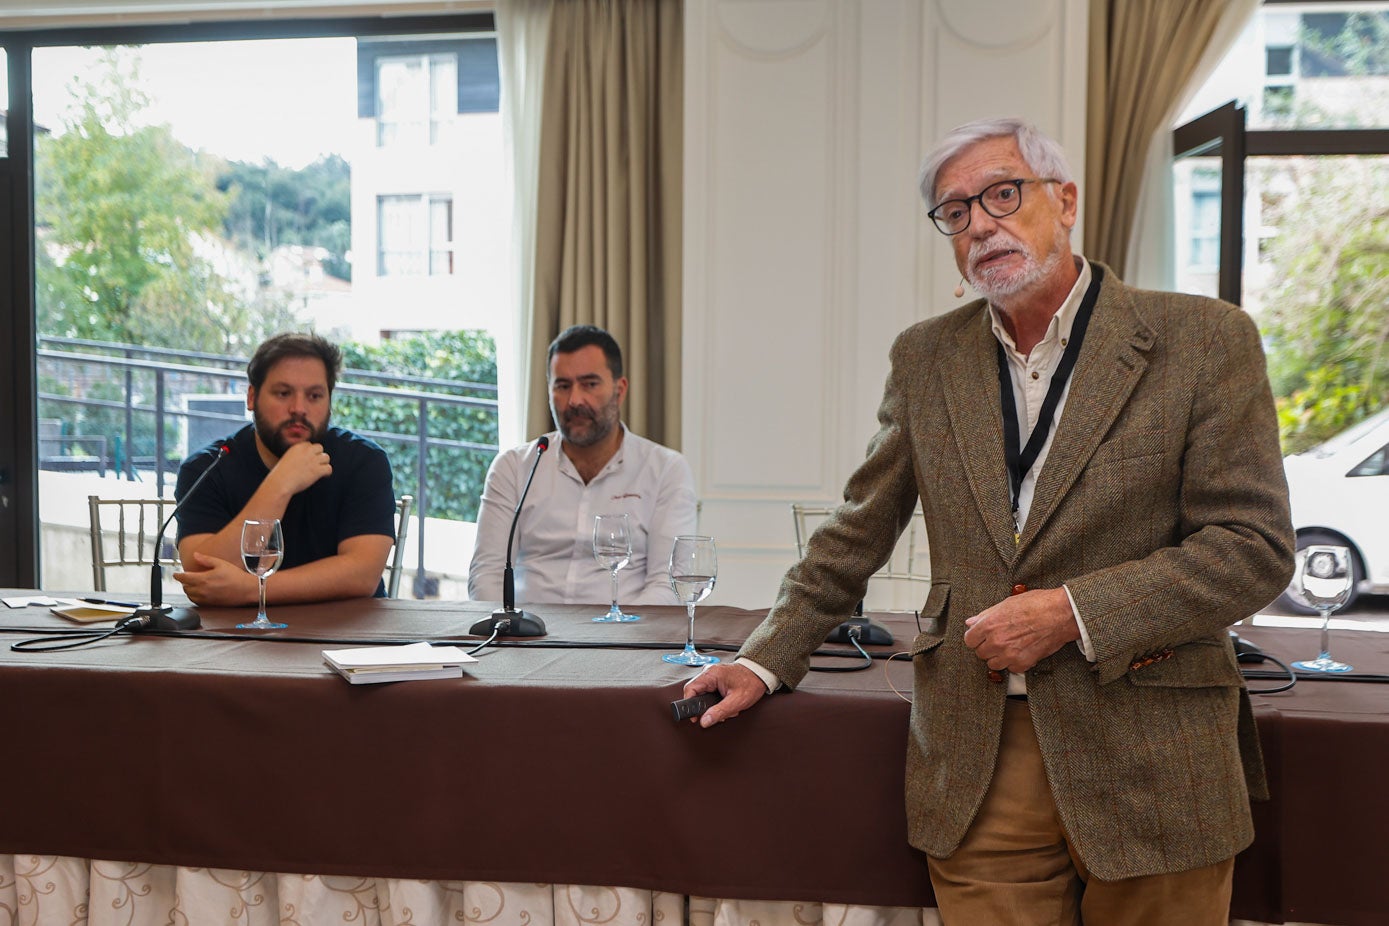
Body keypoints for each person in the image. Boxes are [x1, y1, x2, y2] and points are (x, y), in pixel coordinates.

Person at [684, 118, 1294, 925]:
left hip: (1154, 746)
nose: (978, 224)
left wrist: (1071, 613)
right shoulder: (925, 358)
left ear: (1065, 200)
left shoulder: (1202, 339)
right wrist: (764, 660)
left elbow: (1251, 549)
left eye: (1002, 194)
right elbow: (858, 530)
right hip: (975, 751)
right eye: (954, 211)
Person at [469, 325, 697, 605]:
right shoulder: (514, 467)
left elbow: (668, 583)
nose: (575, 400)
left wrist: (617, 640)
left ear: (619, 390)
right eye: (562, 386)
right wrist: (506, 630)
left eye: (589, 384)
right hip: (527, 639)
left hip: (625, 639)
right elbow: (486, 574)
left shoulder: (665, 470)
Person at [174, 332, 397, 606]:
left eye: (314, 396)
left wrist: (252, 589)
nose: (299, 408)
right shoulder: (207, 468)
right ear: (252, 397)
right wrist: (280, 484)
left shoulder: (363, 461)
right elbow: (202, 579)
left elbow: (362, 575)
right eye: (283, 393)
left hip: (347, 636)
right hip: (240, 638)